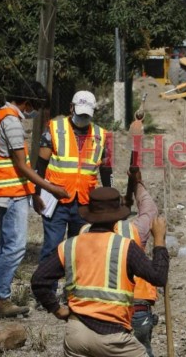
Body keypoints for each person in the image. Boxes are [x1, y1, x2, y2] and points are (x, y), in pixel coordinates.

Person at [31, 187, 169, 357]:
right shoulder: (125, 247)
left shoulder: (70, 245)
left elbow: (38, 280)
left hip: (77, 335)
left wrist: (57, 309)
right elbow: (158, 277)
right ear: (117, 217)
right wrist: (159, 240)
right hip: (113, 338)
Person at [0, 81, 69, 318]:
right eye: (36, 107)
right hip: (10, 193)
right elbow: (21, 164)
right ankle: (1, 299)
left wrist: (34, 194)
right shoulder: (11, 122)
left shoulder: (2, 116)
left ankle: (1, 296)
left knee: (7, 245)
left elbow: (19, 164)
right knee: (15, 247)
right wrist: (50, 188)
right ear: (28, 102)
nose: (35, 113)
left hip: (11, 191)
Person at [80, 168, 159, 357]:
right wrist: (138, 184)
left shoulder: (83, 234)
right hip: (135, 309)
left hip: (94, 315)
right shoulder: (134, 230)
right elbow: (149, 209)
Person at [32, 90, 113, 268]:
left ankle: (73, 293)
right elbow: (41, 165)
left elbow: (106, 170)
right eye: (80, 113)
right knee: (52, 249)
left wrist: (110, 200)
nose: (83, 118)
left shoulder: (101, 135)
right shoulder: (55, 128)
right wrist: (35, 194)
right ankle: (46, 291)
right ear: (71, 108)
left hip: (84, 203)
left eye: (86, 115)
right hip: (56, 201)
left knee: (79, 251)